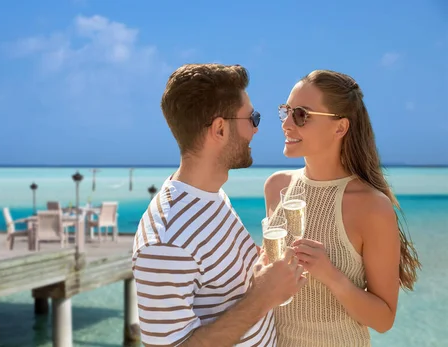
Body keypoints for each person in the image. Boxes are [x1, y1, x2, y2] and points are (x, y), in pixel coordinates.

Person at [131, 63, 306, 347]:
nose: (256, 130)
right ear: (220, 129)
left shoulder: (211, 195)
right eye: (253, 118)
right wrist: (262, 297)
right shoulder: (163, 243)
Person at [264, 69, 421, 346]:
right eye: (285, 111)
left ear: (340, 127)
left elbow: (383, 319)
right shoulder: (277, 188)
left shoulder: (372, 207)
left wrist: (331, 276)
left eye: (301, 114)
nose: (286, 124)